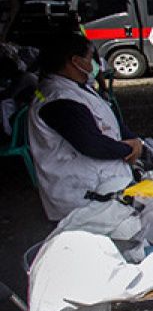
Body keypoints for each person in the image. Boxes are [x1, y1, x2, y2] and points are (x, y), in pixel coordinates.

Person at [29, 33, 140, 221]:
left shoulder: (77, 87)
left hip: (102, 184)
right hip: (82, 193)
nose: (93, 64)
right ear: (75, 61)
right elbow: (91, 144)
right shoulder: (59, 100)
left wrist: (134, 140)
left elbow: (108, 117)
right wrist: (129, 148)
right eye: (90, 58)